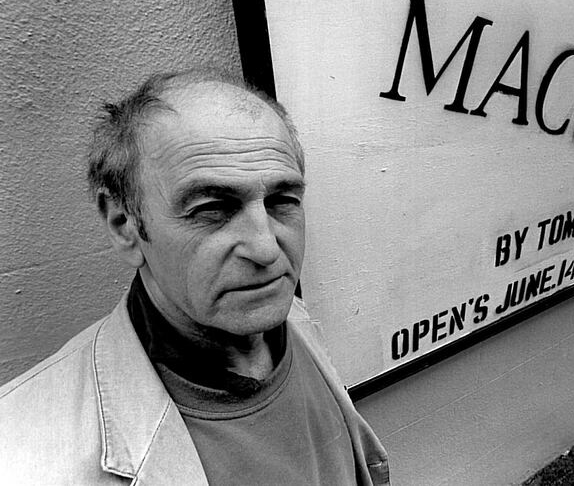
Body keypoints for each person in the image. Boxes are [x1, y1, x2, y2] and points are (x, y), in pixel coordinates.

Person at [0, 69, 390, 485]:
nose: (266, 249)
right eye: (211, 209)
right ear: (124, 225)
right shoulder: (22, 456)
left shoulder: (293, 320)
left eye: (282, 200)